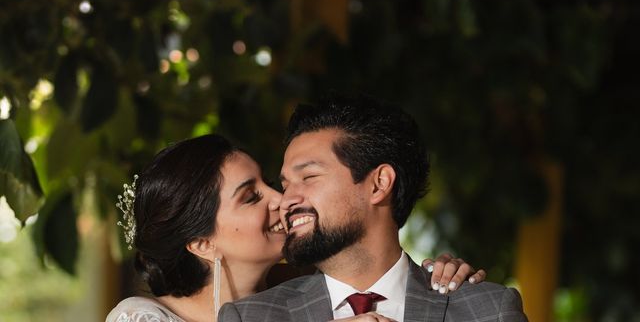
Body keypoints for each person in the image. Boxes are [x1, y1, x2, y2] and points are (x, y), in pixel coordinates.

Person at [107, 133, 485, 322]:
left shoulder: (306, 289)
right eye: (251, 197)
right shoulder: (141, 318)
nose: (281, 199)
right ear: (203, 243)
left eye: (270, 183)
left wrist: (434, 282)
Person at [219, 94, 528, 321]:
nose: (286, 200)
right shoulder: (250, 317)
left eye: (309, 177)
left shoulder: (488, 310)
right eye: (285, 184)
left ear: (379, 183)